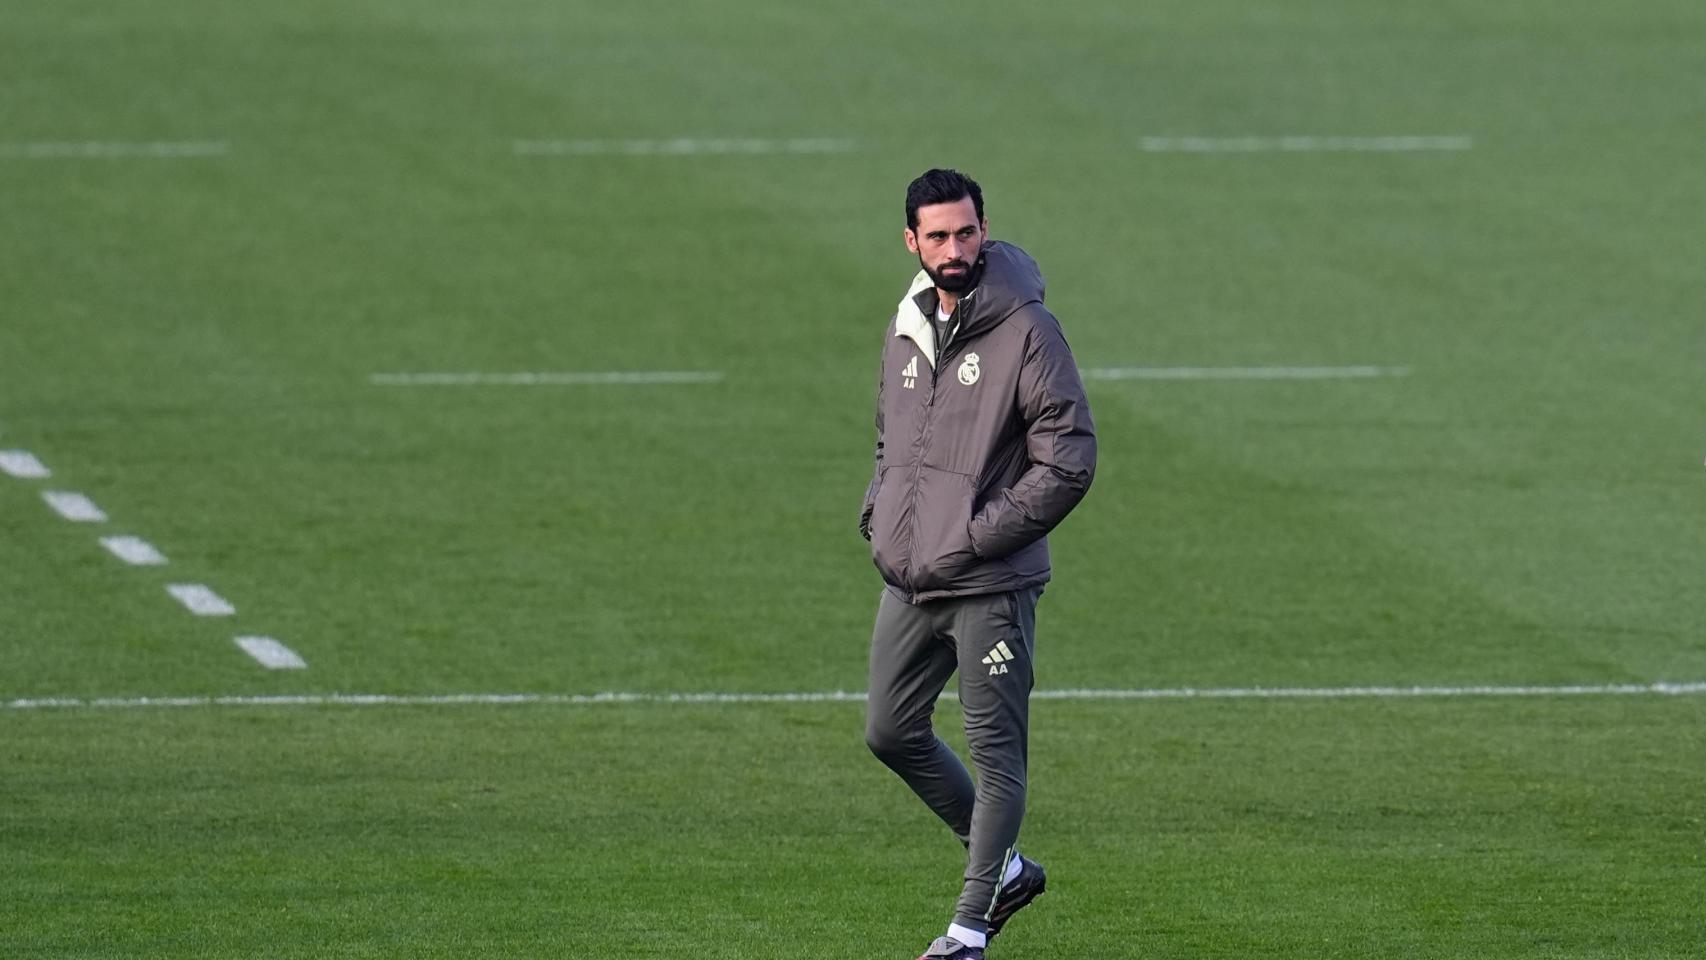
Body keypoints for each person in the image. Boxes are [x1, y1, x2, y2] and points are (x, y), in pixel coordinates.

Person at [860, 169, 1097, 960]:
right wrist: (880, 517)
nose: (954, 249)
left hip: (990, 579)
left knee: (997, 755)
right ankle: (1007, 868)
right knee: (890, 730)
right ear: (912, 242)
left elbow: (1068, 459)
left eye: (966, 232)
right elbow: (895, 440)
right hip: (914, 574)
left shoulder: (1029, 330)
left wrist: (980, 533)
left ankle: (967, 931)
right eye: (937, 236)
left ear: (985, 229)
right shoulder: (907, 327)